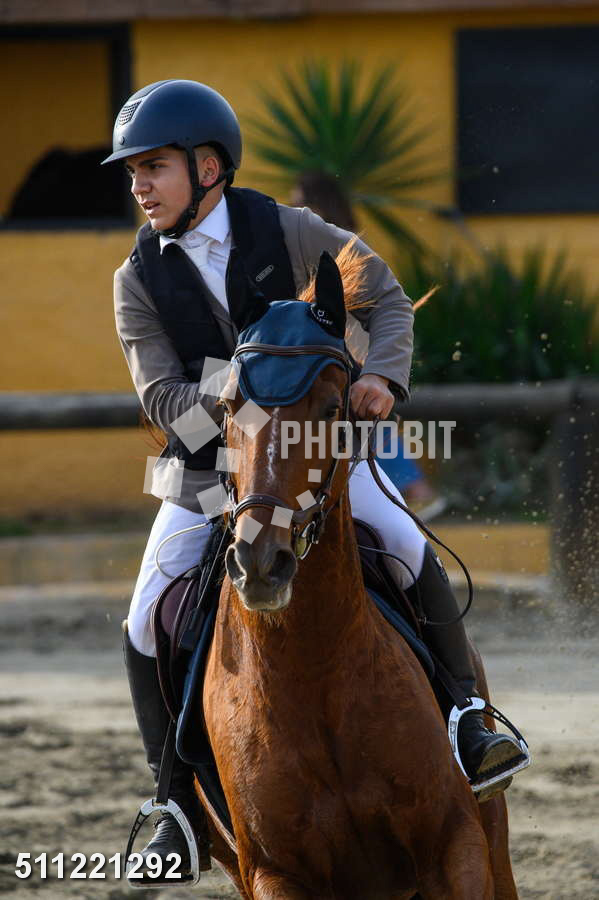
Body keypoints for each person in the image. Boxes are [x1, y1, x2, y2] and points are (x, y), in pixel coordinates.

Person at [103, 79, 525, 879]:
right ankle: (172, 804)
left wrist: (383, 379)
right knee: (145, 614)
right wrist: (247, 394)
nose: (139, 187)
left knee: (403, 542)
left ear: (206, 167)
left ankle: (470, 720)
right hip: (204, 463)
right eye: (132, 173)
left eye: (152, 167)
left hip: (316, 452)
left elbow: (387, 300)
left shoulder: (290, 229)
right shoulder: (136, 279)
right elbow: (160, 398)